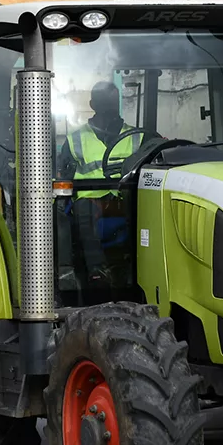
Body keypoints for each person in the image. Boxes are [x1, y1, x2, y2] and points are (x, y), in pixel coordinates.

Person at [56, 81, 152, 289]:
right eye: (103, 101)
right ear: (93, 104)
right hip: (89, 200)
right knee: (83, 211)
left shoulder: (139, 137)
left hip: (125, 196)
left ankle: (143, 269)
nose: (108, 106)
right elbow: (63, 178)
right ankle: (95, 271)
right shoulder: (75, 140)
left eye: (111, 101)